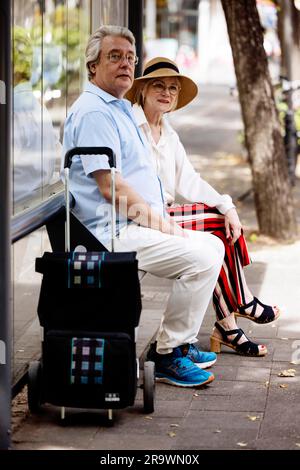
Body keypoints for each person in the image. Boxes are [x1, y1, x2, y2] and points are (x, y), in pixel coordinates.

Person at [62, 25, 225, 388]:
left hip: (129, 226)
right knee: (202, 256)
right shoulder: (93, 113)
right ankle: (166, 355)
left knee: (213, 245)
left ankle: (177, 343)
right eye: (114, 56)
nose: (126, 64)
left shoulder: (117, 107)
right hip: (110, 234)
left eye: (131, 58)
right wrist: (166, 227)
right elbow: (112, 189)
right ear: (93, 66)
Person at [126, 56, 280, 357]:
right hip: (142, 217)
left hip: (164, 213)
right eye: (158, 85)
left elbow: (190, 182)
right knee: (215, 223)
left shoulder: (169, 134)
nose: (167, 92)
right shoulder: (130, 127)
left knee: (221, 219)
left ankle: (228, 324)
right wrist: (223, 209)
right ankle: (240, 305)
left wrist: (228, 206)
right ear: (142, 90)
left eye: (172, 87)